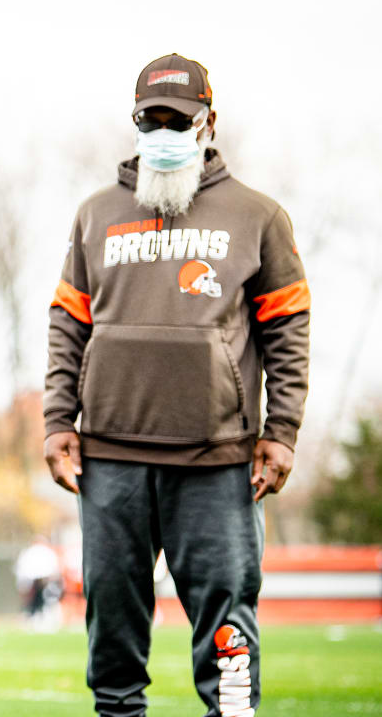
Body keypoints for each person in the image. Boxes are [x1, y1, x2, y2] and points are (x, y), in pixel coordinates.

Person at [43, 54, 310, 717]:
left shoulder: (258, 217)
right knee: (111, 625)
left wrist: (281, 433)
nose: (163, 130)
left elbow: (288, 330)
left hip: (217, 459)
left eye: (178, 119)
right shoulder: (95, 215)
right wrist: (56, 423)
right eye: (150, 119)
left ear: (207, 122)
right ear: (134, 122)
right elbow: (67, 326)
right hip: (110, 458)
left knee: (228, 616)